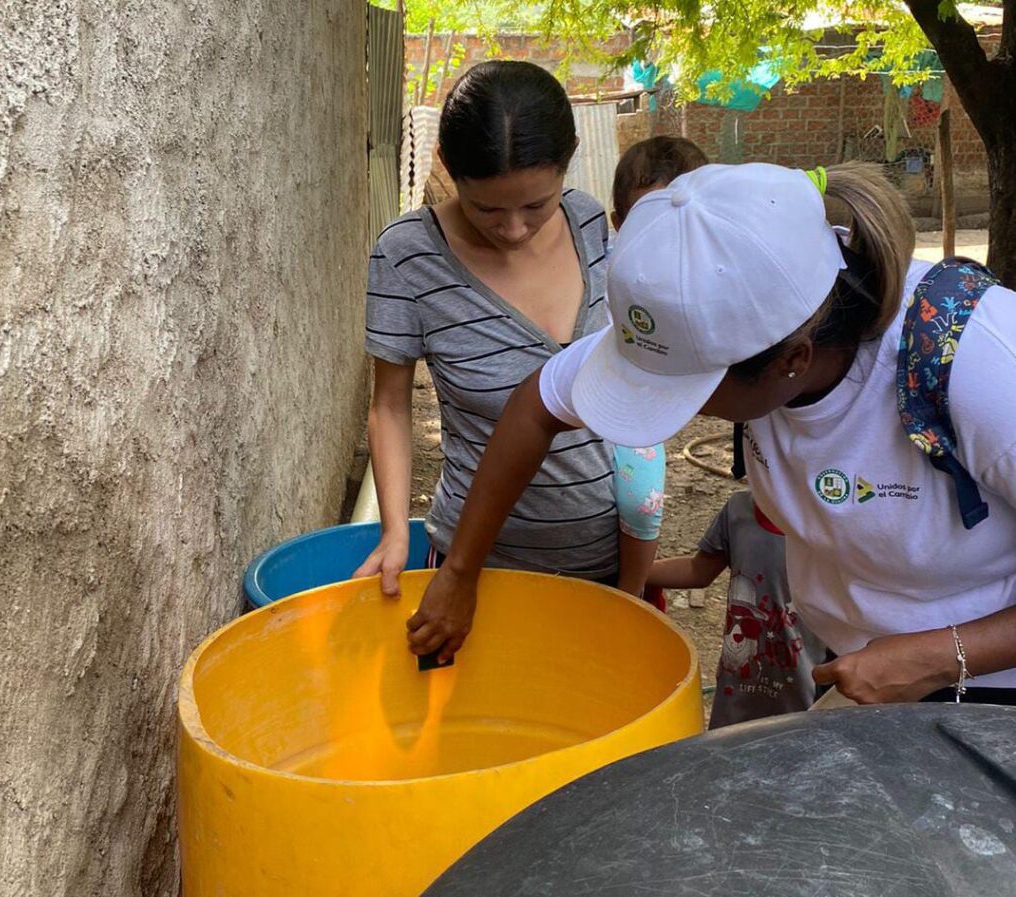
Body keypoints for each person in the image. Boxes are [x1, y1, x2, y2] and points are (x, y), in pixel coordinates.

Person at [409, 160, 1016, 708]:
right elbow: (535, 405)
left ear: (792, 360)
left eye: (686, 392)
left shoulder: (982, 369)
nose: (667, 407)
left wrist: (937, 658)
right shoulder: (721, 315)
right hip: (870, 667)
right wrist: (460, 571)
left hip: (988, 692)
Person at [353, 60, 621, 613]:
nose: (515, 229)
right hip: (475, 568)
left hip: (607, 555)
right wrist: (395, 530)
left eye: (537, 205)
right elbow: (390, 406)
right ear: (447, 165)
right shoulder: (407, 256)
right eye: (487, 208)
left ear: (569, 158)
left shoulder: (590, 222)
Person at [609, 136, 708, 598]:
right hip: (605, 390)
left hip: (640, 410)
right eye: (646, 220)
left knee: (640, 503)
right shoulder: (610, 269)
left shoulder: (708, 270)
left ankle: (630, 594)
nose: (664, 235)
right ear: (619, 223)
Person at [646, 491, 826, 727]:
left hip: (807, 699)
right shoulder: (738, 511)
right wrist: (629, 571)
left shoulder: (834, 529)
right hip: (737, 690)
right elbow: (698, 571)